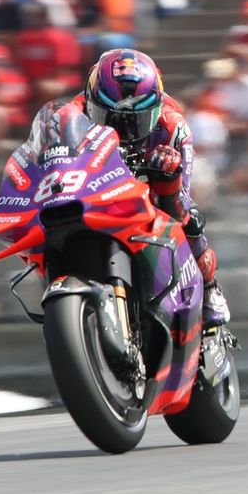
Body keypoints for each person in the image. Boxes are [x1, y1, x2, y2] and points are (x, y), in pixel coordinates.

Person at [64, 48, 228, 328]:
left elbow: (181, 199)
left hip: (149, 176)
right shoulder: (72, 115)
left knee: (188, 213)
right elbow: (44, 153)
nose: (123, 128)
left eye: (135, 119)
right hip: (93, 177)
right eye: (110, 116)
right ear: (91, 101)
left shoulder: (173, 125)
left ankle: (211, 288)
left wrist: (167, 169)